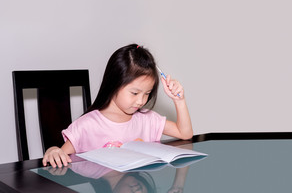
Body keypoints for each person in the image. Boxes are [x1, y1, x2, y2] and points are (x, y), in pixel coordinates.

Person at [42, 43, 193, 168]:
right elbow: (60, 155)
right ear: (114, 84)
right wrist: (53, 150)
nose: (141, 101)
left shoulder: (147, 119)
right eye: (134, 93)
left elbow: (184, 133)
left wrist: (179, 100)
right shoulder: (87, 126)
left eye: (147, 93)